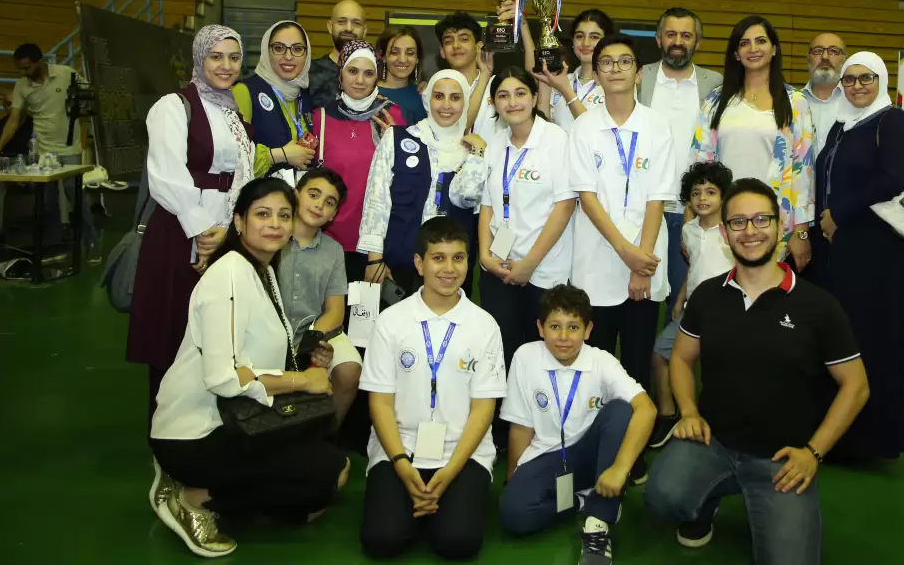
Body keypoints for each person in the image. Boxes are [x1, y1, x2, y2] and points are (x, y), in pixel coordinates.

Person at [644, 179, 869, 564]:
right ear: (725, 233)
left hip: (781, 460)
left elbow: (856, 386)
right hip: (713, 443)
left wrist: (813, 453)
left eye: (761, 219)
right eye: (738, 222)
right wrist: (690, 412)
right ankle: (706, 499)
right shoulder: (709, 296)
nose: (750, 231)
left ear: (779, 226)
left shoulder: (817, 305)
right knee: (663, 495)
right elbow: (680, 358)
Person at [150, 177, 350, 558]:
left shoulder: (261, 269)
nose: (275, 224)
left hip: (237, 418)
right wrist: (302, 381)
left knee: (324, 487)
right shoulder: (229, 273)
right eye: (262, 214)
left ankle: (220, 494)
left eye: (283, 216)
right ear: (239, 221)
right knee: (326, 474)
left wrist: (310, 361)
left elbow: (257, 353)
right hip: (197, 432)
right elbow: (224, 377)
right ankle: (191, 497)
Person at [358, 216, 507, 561]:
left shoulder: (485, 325)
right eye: (438, 258)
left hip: (461, 451)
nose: (449, 269)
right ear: (419, 263)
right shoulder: (390, 321)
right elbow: (380, 403)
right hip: (400, 447)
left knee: (458, 544)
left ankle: (434, 507)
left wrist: (450, 471)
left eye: (458, 258)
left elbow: (484, 409)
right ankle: (419, 506)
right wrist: (400, 464)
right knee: (381, 541)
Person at [127, 26, 254, 421]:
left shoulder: (232, 110)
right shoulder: (173, 106)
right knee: (174, 335)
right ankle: (166, 435)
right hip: (180, 233)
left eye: (233, 57)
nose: (226, 65)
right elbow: (166, 174)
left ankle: (207, 427)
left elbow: (242, 175)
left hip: (224, 233)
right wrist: (200, 231)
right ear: (200, 58)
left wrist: (230, 230)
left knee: (215, 335)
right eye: (216, 56)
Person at [499, 285, 656, 565]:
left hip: (590, 455)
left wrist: (621, 468)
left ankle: (599, 521)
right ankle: (584, 500)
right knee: (514, 514)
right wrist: (514, 479)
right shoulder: (525, 357)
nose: (563, 336)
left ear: (588, 330)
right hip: (547, 455)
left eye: (573, 327)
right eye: (554, 326)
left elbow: (648, 409)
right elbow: (521, 426)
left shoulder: (602, 362)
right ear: (540, 328)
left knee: (621, 410)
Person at [811, 52, 904, 459]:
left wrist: (838, 213)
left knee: (871, 341)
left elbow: (893, 178)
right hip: (839, 249)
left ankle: (868, 441)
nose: (857, 86)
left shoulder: (892, 120)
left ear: (882, 80)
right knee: (840, 339)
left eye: (866, 78)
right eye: (850, 79)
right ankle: (836, 434)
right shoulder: (842, 124)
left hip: (877, 251)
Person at [568, 34, 675, 407]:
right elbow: (587, 197)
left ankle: (635, 437)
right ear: (596, 73)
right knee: (594, 365)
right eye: (607, 62)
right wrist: (625, 252)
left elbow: (657, 197)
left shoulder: (657, 125)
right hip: (597, 262)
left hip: (645, 263)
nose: (616, 69)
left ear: (639, 73)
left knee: (636, 364)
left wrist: (640, 264)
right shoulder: (583, 127)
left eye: (625, 61)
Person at [693, 15, 815, 272]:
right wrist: (693, 219)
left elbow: (803, 170)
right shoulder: (716, 101)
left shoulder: (795, 102)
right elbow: (700, 163)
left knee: (765, 291)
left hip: (774, 221)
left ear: (774, 49)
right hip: (722, 219)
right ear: (736, 54)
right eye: (744, 43)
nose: (753, 48)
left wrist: (801, 231)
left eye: (761, 41)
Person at [478, 66, 576, 377]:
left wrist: (529, 264)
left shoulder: (556, 139)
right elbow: (487, 205)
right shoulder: (495, 143)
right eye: (503, 96)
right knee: (502, 351)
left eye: (520, 93)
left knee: (542, 355)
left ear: (534, 98)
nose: (512, 102)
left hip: (544, 270)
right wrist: (485, 256)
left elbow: (565, 206)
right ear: (494, 103)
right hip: (499, 266)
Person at [357, 70, 488, 293]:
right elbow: (376, 200)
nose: (446, 105)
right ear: (427, 100)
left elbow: (467, 198)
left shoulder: (473, 151)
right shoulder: (397, 138)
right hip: (396, 264)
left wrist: (477, 154)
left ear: (465, 102)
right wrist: (374, 259)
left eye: (455, 97)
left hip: (450, 271)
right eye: (439, 96)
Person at [638, 7, 722, 325]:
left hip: (691, 211)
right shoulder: (638, 77)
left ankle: (672, 358)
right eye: (671, 34)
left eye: (686, 35)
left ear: (697, 42)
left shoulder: (715, 83)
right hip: (643, 210)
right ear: (658, 39)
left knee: (682, 306)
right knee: (640, 299)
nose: (678, 41)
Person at [648, 161, 735, 450]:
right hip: (693, 311)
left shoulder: (732, 230)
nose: (702, 199)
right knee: (661, 352)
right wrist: (681, 298)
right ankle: (668, 414)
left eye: (710, 192)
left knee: (721, 368)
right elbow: (693, 266)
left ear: (723, 196)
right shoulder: (688, 230)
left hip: (726, 313)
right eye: (696, 193)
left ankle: (720, 422)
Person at [0, 42, 96, 246]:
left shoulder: (66, 73)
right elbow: (13, 121)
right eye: (20, 69)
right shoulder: (22, 86)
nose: (24, 72)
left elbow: (89, 96)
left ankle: (90, 243)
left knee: (77, 198)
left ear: (39, 62)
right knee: (47, 202)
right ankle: (52, 246)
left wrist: (81, 107)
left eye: (27, 67)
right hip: (43, 152)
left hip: (70, 148)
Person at [312, 41, 405, 280]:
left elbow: (405, 178)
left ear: (376, 78)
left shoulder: (391, 114)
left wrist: (395, 143)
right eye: (353, 71)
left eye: (368, 73)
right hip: (328, 239)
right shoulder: (320, 117)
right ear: (340, 74)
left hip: (378, 243)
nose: (360, 80)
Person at [278, 167, 362, 428]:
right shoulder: (272, 235)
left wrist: (312, 344)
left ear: (334, 214)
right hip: (270, 330)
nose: (319, 205)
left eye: (329, 202)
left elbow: (335, 311)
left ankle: (324, 435)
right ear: (295, 194)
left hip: (315, 331)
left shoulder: (334, 251)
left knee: (350, 368)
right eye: (313, 195)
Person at [233, 21, 315, 178]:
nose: (288, 56)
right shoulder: (245, 91)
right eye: (278, 48)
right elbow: (231, 157)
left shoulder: (305, 94)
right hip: (258, 191)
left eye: (297, 49)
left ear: (307, 54)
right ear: (266, 51)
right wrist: (279, 155)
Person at [535, 9, 614, 131]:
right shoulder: (562, 80)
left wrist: (566, 90)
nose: (586, 43)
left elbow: (595, 131)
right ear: (572, 41)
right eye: (579, 36)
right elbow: (543, 128)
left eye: (594, 37)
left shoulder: (616, 82)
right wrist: (544, 88)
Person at [0, 89, 33, 239]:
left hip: (33, 169)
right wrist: (11, 174)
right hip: (5, 170)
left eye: (16, 104)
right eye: (9, 104)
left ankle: (63, 227)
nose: (12, 107)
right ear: (4, 106)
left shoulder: (37, 126)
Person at [435, 12, 493, 136]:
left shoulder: (497, 85)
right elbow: (456, 129)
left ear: (478, 46)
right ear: (442, 51)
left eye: (464, 39)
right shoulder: (434, 92)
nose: (456, 46)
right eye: (448, 41)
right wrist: (484, 77)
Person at [309, 0, 366, 109]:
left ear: (364, 31)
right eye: (342, 22)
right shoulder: (310, 72)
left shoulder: (373, 75)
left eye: (356, 23)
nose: (349, 28)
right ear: (330, 26)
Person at [800, 33, 846, 158]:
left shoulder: (855, 104)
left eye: (833, 51)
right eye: (818, 51)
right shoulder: (791, 103)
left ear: (844, 59)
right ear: (808, 58)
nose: (825, 57)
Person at [377, 26, 428, 125]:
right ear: (383, 57)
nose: (402, 60)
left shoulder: (424, 95)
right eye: (394, 52)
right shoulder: (369, 94)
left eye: (410, 53)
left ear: (417, 58)